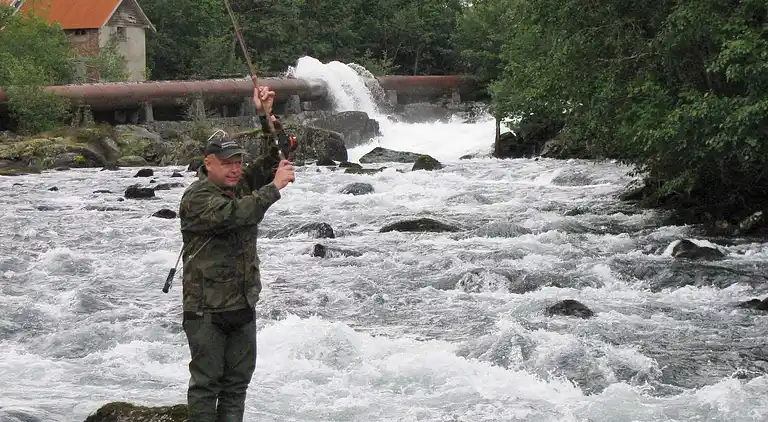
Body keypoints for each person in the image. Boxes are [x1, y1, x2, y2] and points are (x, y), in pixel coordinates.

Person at [177, 86, 295, 422]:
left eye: (238, 162)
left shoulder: (240, 184)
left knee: (236, 385)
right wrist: (274, 188)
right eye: (227, 163)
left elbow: (277, 154)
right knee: (206, 385)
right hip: (206, 310)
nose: (234, 168)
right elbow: (237, 214)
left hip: (242, 301)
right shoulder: (196, 197)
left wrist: (264, 114)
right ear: (208, 163)